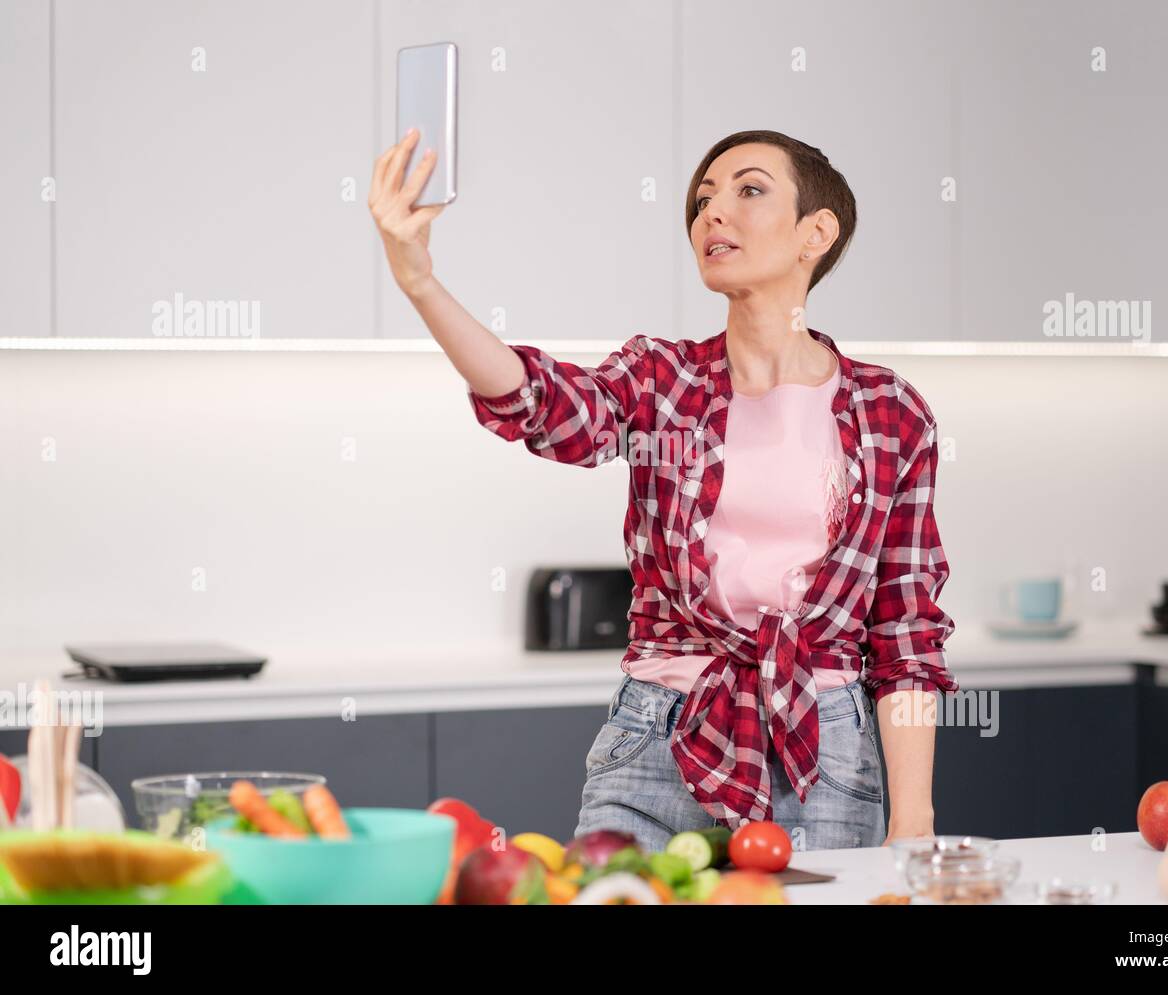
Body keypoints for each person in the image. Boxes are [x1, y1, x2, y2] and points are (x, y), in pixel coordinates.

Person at [369, 127, 959, 852]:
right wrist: (421, 282)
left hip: (825, 749)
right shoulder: (662, 379)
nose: (713, 213)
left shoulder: (891, 412)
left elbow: (904, 634)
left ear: (817, 232)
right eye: (702, 199)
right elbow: (547, 407)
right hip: (659, 732)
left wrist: (914, 825)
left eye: (748, 190)